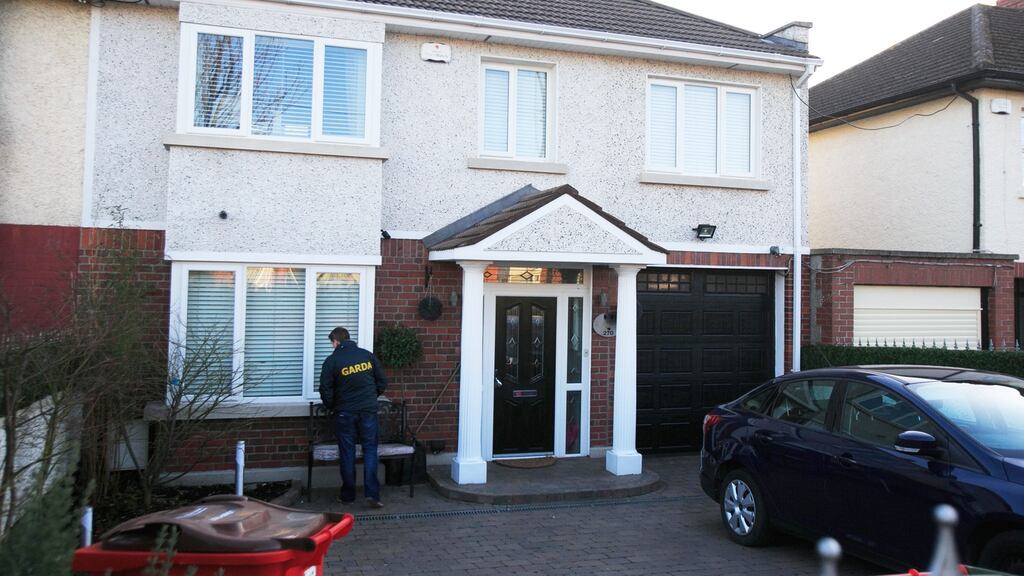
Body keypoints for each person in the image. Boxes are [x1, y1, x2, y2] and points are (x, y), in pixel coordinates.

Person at [319, 326, 388, 508]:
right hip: (368, 411)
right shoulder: (367, 356)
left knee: (347, 453)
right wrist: (371, 397)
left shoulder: (332, 360)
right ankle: (373, 495)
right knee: (370, 450)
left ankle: (348, 495)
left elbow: (325, 389)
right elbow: (382, 381)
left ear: (336, 341)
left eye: (332, 343)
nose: (332, 346)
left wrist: (332, 406)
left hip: (345, 413)